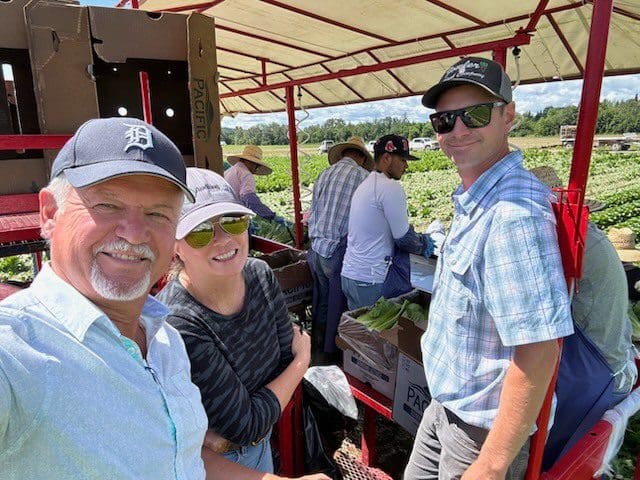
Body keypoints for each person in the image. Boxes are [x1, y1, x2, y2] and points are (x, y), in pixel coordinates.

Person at [0, 117, 328, 480]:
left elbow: (183, 459)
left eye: (158, 213)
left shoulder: (163, 340)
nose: (135, 233)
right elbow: (244, 421)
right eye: (107, 205)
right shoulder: (16, 351)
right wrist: (299, 363)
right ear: (49, 213)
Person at [405, 58, 574, 480]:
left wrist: (492, 464)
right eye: (445, 120)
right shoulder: (476, 195)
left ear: (508, 116)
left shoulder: (512, 214)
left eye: (475, 114)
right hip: (447, 405)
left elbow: (538, 349)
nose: (458, 131)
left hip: (481, 431)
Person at [156, 168, 312, 474]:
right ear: (174, 246)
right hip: (219, 462)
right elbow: (246, 425)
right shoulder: (180, 321)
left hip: (252, 445)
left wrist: (257, 408)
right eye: (200, 231)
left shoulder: (259, 274)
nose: (223, 240)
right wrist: (303, 361)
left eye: (232, 221)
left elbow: (280, 360)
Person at [341, 134, 433, 310]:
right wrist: (423, 244)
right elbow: (404, 238)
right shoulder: (390, 187)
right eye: (403, 160)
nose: (406, 166)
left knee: (359, 332)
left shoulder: (366, 183)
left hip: (350, 275)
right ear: (386, 158)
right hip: (371, 279)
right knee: (374, 335)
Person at [307, 136, 372, 352]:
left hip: (316, 249)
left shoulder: (324, 174)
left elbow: (313, 211)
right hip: (336, 251)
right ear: (361, 157)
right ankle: (331, 350)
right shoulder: (364, 177)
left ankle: (315, 343)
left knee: (322, 299)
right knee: (338, 305)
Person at [225, 144, 289, 227]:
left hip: (224, 215)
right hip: (235, 219)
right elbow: (248, 198)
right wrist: (270, 215)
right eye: (257, 165)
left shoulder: (229, 171)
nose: (257, 168)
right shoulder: (246, 174)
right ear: (250, 162)